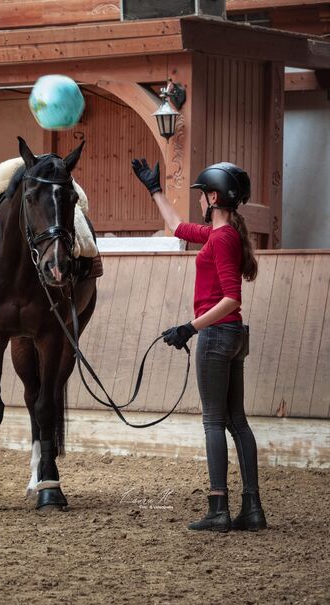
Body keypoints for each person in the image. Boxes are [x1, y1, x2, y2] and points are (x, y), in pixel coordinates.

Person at [132, 158, 267, 533]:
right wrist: (154, 189)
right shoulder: (220, 234)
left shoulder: (222, 239)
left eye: (201, 196)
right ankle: (252, 508)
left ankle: (218, 507)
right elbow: (177, 228)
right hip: (233, 335)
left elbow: (231, 298)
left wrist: (188, 328)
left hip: (217, 334)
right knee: (236, 421)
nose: (198, 203)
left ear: (212, 196)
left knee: (213, 422)